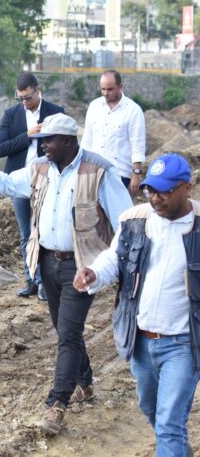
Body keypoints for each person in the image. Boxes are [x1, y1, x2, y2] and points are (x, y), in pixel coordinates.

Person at [0, 114, 132, 435]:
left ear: (68, 141)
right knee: (63, 328)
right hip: (46, 262)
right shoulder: (40, 168)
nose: (42, 146)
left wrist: (113, 266)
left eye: (49, 140)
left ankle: (57, 404)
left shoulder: (99, 171)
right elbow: (10, 184)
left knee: (68, 334)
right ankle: (84, 382)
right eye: (42, 140)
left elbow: (125, 221)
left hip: (82, 265)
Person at [74, 153, 200, 456]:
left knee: (169, 422)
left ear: (188, 187)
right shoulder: (135, 220)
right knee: (152, 409)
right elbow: (114, 259)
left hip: (183, 343)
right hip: (141, 340)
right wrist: (93, 273)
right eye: (150, 190)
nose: (156, 198)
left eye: (165, 190)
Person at [0, 72, 64, 301]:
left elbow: (66, 146)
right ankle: (31, 279)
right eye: (21, 98)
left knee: (43, 231)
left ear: (38, 90)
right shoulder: (11, 115)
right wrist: (28, 135)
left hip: (48, 181)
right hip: (19, 181)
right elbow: (1, 149)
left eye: (28, 97)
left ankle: (46, 283)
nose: (24, 102)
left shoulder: (55, 112)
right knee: (26, 232)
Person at [80, 69, 146, 195]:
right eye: (103, 89)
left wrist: (136, 174)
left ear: (120, 87)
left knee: (119, 214)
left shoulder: (133, 110)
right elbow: (87, 140)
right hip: (93, 172)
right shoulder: (94, 106)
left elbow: (137, 144)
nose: (105, 93)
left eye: (110, 89)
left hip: (120, 174)